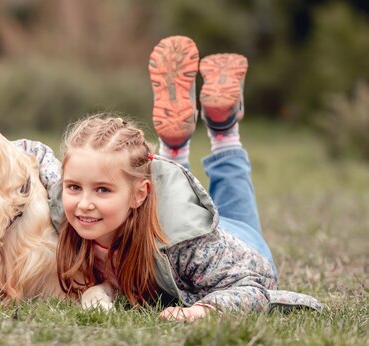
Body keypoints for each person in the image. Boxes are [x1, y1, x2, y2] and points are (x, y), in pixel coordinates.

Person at [24, 35, 322, 321]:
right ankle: (184, 142)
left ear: (141, 195)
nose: (84, 203)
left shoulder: (186, 244)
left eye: (102, 190)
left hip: (237, 248)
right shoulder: (64, 201)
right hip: (173, 217)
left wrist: (203, 311)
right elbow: (33, 153)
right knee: (170, 199)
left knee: (223, 199)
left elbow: (254, 286)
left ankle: (223, 129)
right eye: (74, 186)